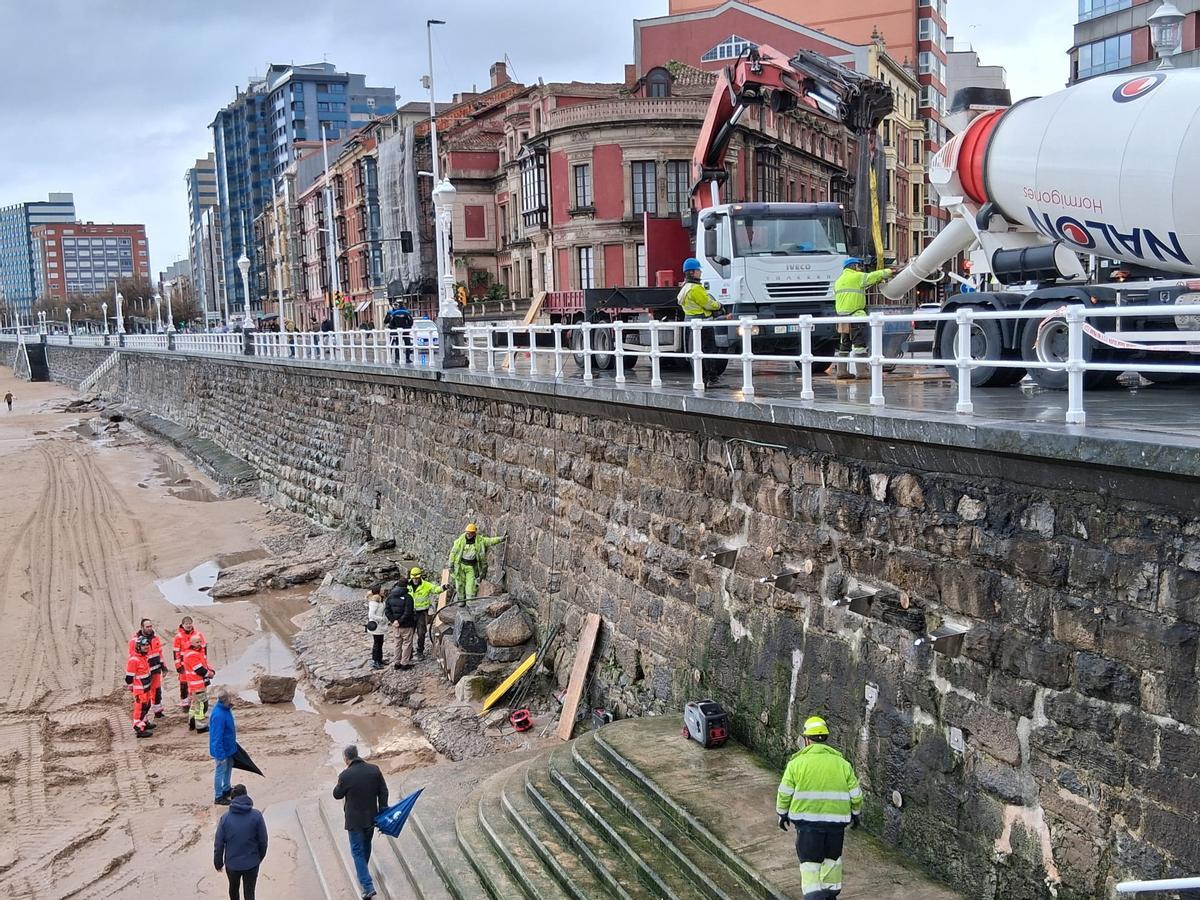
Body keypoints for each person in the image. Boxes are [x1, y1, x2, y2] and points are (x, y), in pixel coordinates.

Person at [776, 715, 863, 900]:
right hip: (836, 825)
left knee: (810, 866)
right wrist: (855, 814)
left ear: (807, 739)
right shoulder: (842, 764)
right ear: (825, 738)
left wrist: (782, 814)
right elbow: (856, 795)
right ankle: (830, 896)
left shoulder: (796, 764)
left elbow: (784, 793)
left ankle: (814, 897)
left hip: (808, 825)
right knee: (832, 862)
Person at [332, 745, 388, 900]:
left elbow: (337, 795)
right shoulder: (374, 770)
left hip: (354, 820)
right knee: (366, 846)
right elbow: (383, 791)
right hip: (371, 817)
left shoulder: (345, 775)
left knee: (357, 851)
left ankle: (367, 886)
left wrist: (339, 782)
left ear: (346, 758)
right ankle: (364, 872)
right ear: (357, 755)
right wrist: (383, 808)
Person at [833, 257, 892, 380]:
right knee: (859, 344)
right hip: (855, 316)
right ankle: (862, 372)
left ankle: (841, 371)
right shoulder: (857, 277)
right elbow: (871, 277)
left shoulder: (838, 281)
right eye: (858, 266)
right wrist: (888, 271)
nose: (860, 268)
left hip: (842, 318)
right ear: (853, 266)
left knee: (844, 344)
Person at [214, 783, 268, 900]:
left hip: (232, 865)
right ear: (246, 796)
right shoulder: (257, 816)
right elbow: (263, 841)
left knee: (233, 889)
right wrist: (259, 857)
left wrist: (218, 862)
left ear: (232, 799)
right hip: (252, 863)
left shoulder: (225, 818)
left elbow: (219, 844)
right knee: (249, 892)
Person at [676, 257, 724, 387]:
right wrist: (719, 305)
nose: (700, 273)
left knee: (696, 352)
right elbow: (708, 304)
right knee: (709, 351)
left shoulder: (684, 288)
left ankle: (700, 378)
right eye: (698, 270)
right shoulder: (696, 288)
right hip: (703, 324)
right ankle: (712, 379)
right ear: (692, 272)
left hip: (690, 324)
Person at [448, 523, 506, 603]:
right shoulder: (460, 541)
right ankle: (460, 601)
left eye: (470, 533)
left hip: (471, 567)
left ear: (474, 533)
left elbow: (490, 541)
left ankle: (469, 602)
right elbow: (453, 553)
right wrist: (450, 565)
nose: (468, 534)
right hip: (460, 566)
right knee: (460, 585)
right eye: (467, 532)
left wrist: (500, 539)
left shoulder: (479, 541)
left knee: (470, 585)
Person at [128, 619, 166, 718]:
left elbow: (159, 653)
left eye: (150, 626)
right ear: (142, 627)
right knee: (145, 696)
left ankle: (158, 711)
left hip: (156, 669)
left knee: (157, 691)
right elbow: (133, 657)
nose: (149, 629)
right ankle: (143, 718)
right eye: (147, 627)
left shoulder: (155, 638)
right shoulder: (135, 641)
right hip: (145, 672)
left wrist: (163, 666)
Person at [404, 567, 445, 658]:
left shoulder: (426, 585)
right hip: (409, 613)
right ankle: (409, 653)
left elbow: (435, 589)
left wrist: (443, 588)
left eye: (417, 578)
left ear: (420, 577)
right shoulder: (407, 585)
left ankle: (420, 651)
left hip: (421, 613)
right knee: (409, 633)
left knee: (421, 633)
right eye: (414, 578)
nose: (415, 580)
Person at [183, 634, 216, 732]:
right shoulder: (192, 654)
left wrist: (210, 670)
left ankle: (192, 721)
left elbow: (203, 665)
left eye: (200, 642)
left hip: (197, 684)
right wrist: (210, 674)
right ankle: (200, 725)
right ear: (191, 643)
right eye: (197, 642)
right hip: (197, 684)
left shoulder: (195, 652)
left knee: (195, 704)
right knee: (201, 705)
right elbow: (200, 670)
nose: (199, 644)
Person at [124, 635, 155, 738]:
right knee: (140, 709)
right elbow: (129, 677)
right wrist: (131, 686)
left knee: (147, 706)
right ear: (138, 647)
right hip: (140, 689)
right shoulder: (134, 660)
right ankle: (138, 727)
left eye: (147, 645)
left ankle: (144, 723)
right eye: (144, 645)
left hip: (146, 688)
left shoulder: (144, 657)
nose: (146, 647)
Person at [210, 689, 237, 806]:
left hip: (229, 747)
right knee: (220, 770)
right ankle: (218, 796)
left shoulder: (225, 709)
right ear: (226, 700)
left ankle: (226, 788)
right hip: (221, 749)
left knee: (229, 767)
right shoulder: (219, 715)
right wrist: (220, 755)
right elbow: (216, 737)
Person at [173, 616, 207, 709]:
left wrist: (205, 663)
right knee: (183, 683)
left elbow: (204, 649)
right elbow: (176, 652)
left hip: (196, 662)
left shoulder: (198, 634)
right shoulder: (179, 637)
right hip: (184, 664)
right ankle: (184, 703)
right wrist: (178, 665)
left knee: (198, 682)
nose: (188, 625)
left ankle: (194, 701)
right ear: (182, 625)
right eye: (186, 624)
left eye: (190, 623)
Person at [384, 580, 416, 670]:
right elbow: (408, 612)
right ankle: (404, 663)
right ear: (406, 586)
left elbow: (387, 610)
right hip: (407, 625)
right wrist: (400, 621)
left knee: (397, 644)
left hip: (395, 626)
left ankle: (396, 663)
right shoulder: (408, 597)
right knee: (407, 644)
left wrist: (393, 621)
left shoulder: (390, 597)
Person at [366, 584, 386, 670]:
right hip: (376, 626)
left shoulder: (380, 600)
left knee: (380, 642)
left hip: (380, 625)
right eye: (381, 589)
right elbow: (371, 614)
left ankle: (380, 659)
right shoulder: (374, 602)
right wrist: (382, 619)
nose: (383, 591)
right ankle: (375, 661)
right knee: (377, 643)